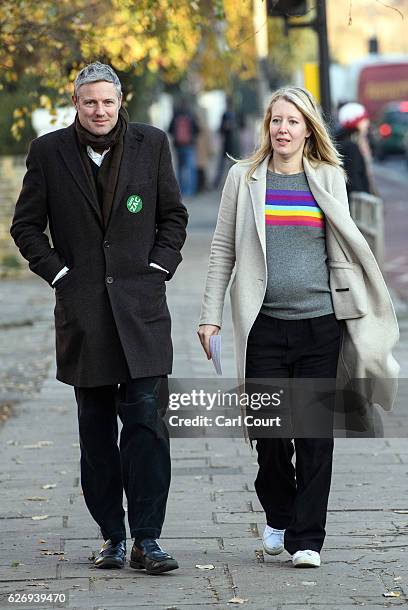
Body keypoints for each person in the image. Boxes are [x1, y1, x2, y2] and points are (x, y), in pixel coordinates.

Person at [198, 87, 399, 568]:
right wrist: (210, 315)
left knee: (313, 438)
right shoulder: (243, 179)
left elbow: (345, 247)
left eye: (292, 121)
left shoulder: (329, 176)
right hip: (263, 326)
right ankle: (279, 514)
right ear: (266, 127)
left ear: (309, 128)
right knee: (269, 439)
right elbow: (222, 248)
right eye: (275, 121)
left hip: (319, 327)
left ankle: (306, 539)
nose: (282, 129)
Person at [10, 62, 188, 574]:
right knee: (95, 434)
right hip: (84, 317)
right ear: (76, 103)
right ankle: (112, 536)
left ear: (119, 100)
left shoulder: (152, 144)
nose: (100, 110)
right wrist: (60, 275)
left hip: (142, 312)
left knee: (148, 429)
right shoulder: (48, 152)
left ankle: (148, 539)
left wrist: (160, 267)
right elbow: (26, 227)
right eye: (90, 102)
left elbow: (173, 216)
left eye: (107, 101)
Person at [336, 102, 376, 195]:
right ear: (355, 122)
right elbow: (354, 177)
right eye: (364, 119)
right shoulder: (351, 147)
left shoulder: (359, 141)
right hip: (358, 202)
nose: (367, 122)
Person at [168, 98, 199, 196]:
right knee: (190, 169)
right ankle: (190, 191)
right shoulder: (191, 115)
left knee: (180, 169)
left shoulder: (176, 115)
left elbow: (170, 129)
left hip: (178, 146)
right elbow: (198, 129)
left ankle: (180, 191)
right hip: (189, 145)